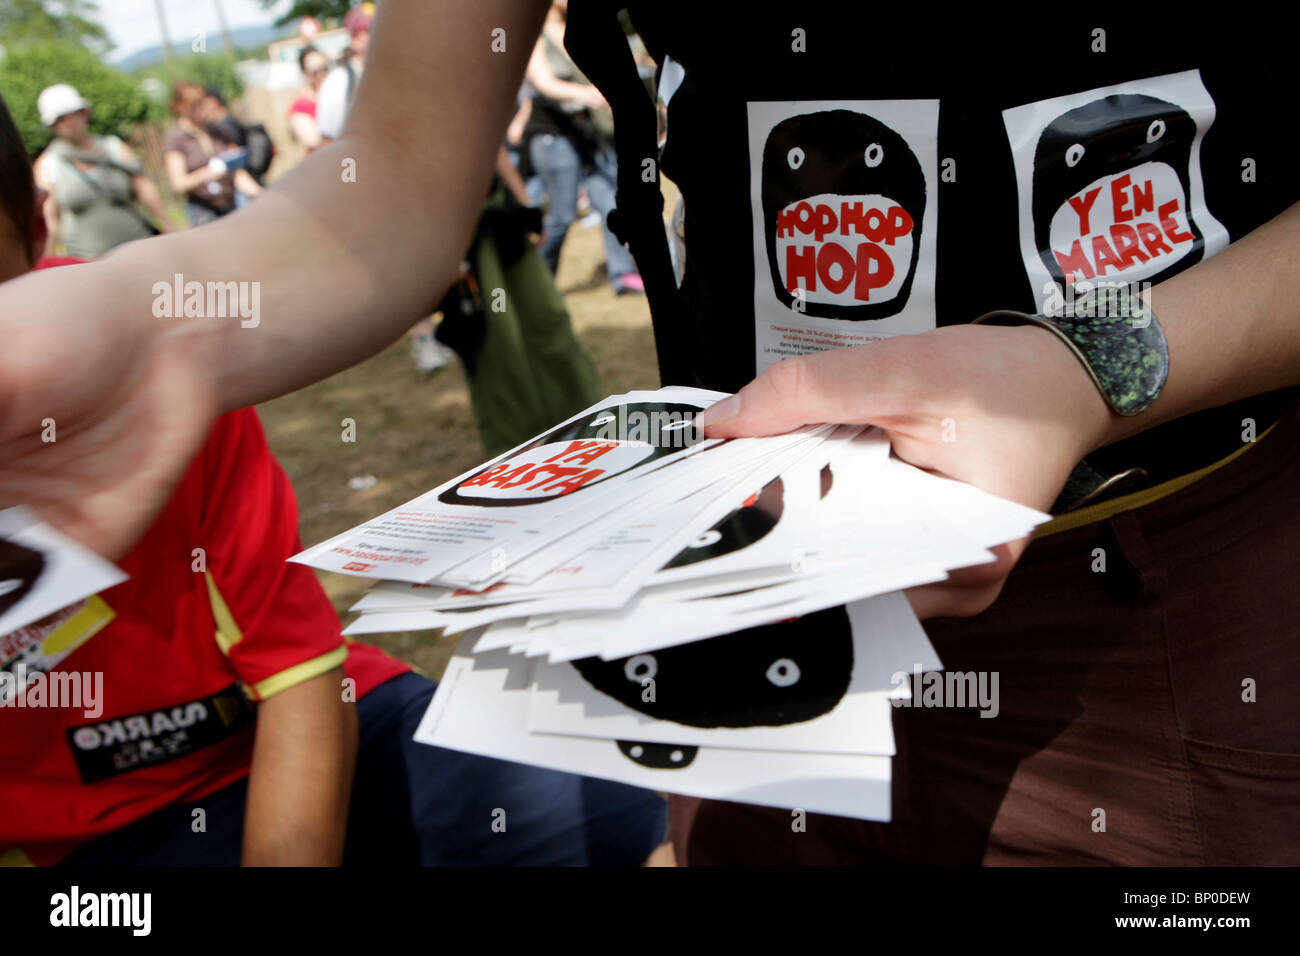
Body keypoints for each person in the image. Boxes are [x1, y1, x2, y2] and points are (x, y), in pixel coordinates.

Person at [0, 1, 1297, 866]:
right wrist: (153, 317)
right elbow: (384, 190)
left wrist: (1085, 367)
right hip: (732, 578)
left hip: (1171, 581)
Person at [0, 91, 667, 867]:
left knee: (611, 820)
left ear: (39, 227)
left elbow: (296, 673)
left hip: (299, 727)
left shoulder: (124, 359)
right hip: (83, 842)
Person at [524, 1, 644, 294]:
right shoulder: (533, 35)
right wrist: (590, 94)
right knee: (562, 216)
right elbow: (544, 83)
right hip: (552, 137)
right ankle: (538, 281)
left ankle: (622, 274)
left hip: (584, 133)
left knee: (609, 204)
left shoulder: (576, 29)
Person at [31, 84, 173, 258]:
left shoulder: (114, 147)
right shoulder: (48, 164)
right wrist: (48, 263)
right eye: (61, 118)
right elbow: (50, 218)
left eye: (75, 113)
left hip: (142, 249)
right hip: (89, 264)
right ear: (52, 125)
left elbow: (144, 188)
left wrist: (168, 225)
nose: (71, 121)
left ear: (84, 113)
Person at [162, 82, 263, 227]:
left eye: (201, 103)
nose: (200, 109)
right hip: (203, 212)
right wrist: (208, 173)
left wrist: (259, 193)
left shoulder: (218, 133)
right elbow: (179, 183)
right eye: (194, 106)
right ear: (180, 107)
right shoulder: (176, 139)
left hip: (231, 204)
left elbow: (237, 173)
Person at [316, 4, 373, 143]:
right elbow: (328, 140)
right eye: (371, 31)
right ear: (355, 40)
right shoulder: (338, 81)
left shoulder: (392, 77)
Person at [288, 45, 330, 155]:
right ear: (304, 73)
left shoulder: (339, 95)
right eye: (315, 71)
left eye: (325, 68)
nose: (321, 74)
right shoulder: (300, 107)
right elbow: (313, 141)